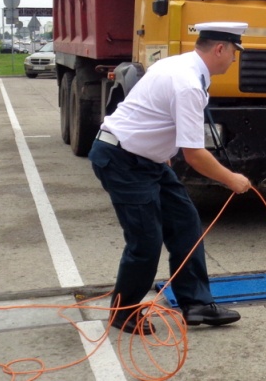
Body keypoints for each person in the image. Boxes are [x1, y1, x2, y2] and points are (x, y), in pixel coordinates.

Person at [89, 21, 252, 333]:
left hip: (146, 158)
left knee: (185, 224)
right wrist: (232, 179)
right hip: (122, 160)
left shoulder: (177, 65)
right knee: (146, 241)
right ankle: (123, 312)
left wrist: (160, 147)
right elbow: (195, 155)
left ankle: (197, 304)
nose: (234, 59)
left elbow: (147, 110)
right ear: (219, 49)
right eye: (234, 52)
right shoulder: (188, 83)